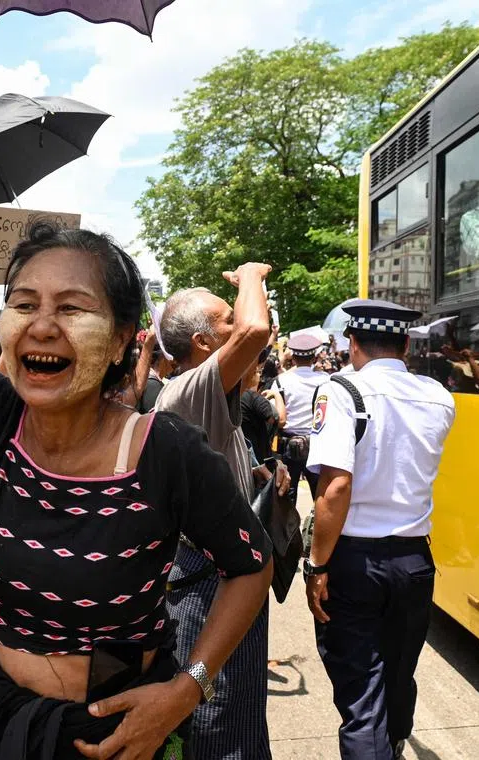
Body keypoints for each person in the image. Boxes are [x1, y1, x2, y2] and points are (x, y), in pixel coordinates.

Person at [0, 30, 274, 758]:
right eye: (24, 302)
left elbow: (250, 565)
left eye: (73, 306)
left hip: (123, 728)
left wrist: (188, 686)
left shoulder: (165, 451)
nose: (43, 324)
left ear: (126, 335)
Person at [304, 299, 456, 760]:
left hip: (353, 562)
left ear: (352, 344)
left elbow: (336, 489)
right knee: (398, 674)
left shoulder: (341, 391)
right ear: (406, 344)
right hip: (414, 562)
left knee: (361, 699)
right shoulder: (439, 396)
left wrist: (316, 565)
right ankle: (392, 743)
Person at [156, 268, 284, 759]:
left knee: (240, 709)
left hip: (224, 573)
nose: (243, 324)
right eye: (227, 320)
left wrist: (251, 474)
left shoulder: (208, 393)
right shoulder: (189, 390)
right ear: (203, 342)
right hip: (209, 580)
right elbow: (256, 330)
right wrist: (251, 276)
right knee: (219, 715)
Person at [273, 332, 329, 499]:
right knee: (320, 494)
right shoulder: (326, 380)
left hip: (289, 445)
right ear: (314, 357)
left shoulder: (281, 381)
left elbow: (276, 414)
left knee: (288, 496)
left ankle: (291, 526)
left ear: (293, 358)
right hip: (318, 443)